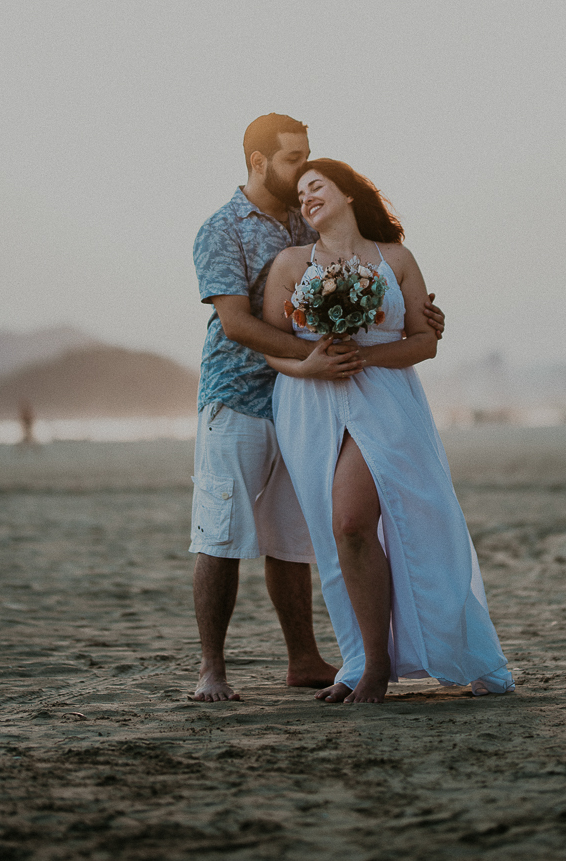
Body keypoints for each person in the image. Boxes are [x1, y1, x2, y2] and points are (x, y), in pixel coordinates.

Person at [190, 115, 445, 702]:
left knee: (291, 537)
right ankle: (212, 669)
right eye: (292, 159)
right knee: (221, 531)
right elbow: (236, 323)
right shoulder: (221, 228)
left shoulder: (307, 217)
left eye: (308, 158)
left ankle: (303, 659)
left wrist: (418, 315)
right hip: (238, 396)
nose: (304, 169)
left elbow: (373, 281)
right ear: (258, 162)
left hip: (312, 402)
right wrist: (308, 359)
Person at [263, 159, 515, 704]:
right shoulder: (290, 264)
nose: (307, 198)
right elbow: (269, 347)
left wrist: (367, 355)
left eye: (316, 186)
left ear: (349, 194)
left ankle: (378, 665)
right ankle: (363, 657)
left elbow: (425, 341)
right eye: (301, 193)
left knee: (356, 521)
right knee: (337, 533)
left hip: (385, 400)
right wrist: (310, 365)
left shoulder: (396, 259)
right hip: (310, 403)